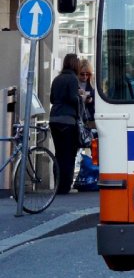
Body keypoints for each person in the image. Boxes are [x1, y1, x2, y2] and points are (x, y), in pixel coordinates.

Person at [49, 53, 87, 194]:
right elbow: (72, 98)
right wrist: (81, 97)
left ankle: (57, 185)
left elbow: (52, 99)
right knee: (69, 154)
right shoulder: (72, 79)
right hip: (68, 120)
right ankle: (65, 186)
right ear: (75, 65)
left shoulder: (57, 78)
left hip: (54, 119)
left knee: (59, 153)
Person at [78, 58, 96, 129]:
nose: (85, 77)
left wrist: (91, 100)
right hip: (78, 116)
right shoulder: (74, 83)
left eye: (87, 74)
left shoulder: (92, 82)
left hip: (90, 116)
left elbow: (97, 98)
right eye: (82, 74)